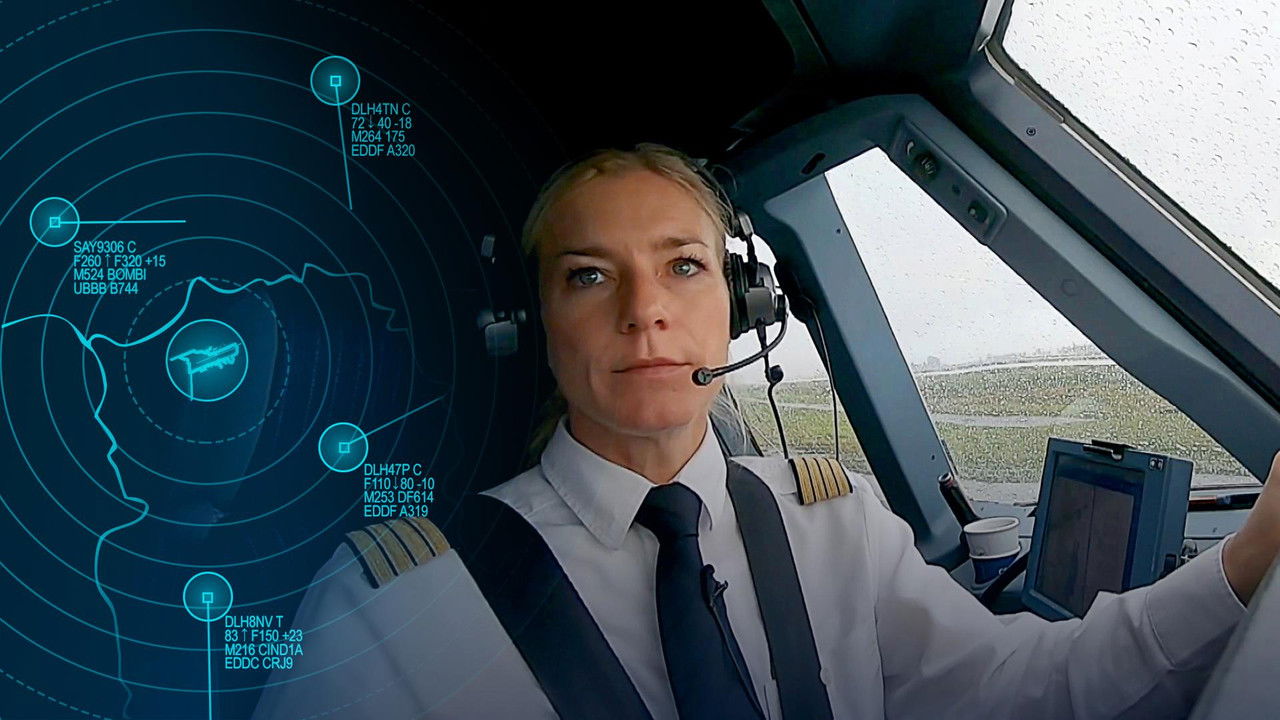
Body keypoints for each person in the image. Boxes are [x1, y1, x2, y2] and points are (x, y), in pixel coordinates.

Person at [252, 143, 1280, 720]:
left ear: (742, 305)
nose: (645, 312)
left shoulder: (835, 525)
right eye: (589, 275)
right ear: (528, 324)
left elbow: (1028, 689)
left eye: (682, 266)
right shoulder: (390, 603)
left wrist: (1244, 560)